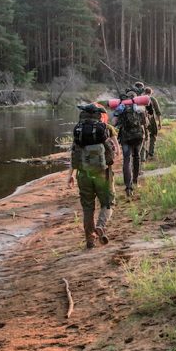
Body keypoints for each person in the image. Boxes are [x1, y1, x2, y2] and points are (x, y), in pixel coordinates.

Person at [67, 103, 116, 248]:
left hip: (83, 175)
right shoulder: (102, 130)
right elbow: (110, 157)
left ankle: (89, 240)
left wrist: (71, 175)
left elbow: (74, 156)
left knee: (88, 208)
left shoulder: (79, 132)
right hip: (102, 174)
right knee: (108, 203)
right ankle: (100, 226)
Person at [114, 90, 147, 197]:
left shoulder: (121, 108)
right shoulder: (140, 108)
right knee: (136, 157)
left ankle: (128, 187)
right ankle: (136, 181)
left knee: (127, 160)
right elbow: (144, 122)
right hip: (138, 136)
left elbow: (114, 123)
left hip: (125, 137)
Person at [143, 86, 163, 158]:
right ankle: (151, 152)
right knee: (153, 135)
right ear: (151, 93)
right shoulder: (153, 99)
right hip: (151, 120)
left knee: (144, 137)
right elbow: (158, 112)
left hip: (142, 121)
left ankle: (144, 153)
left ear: (144, 92)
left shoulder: (140, 99)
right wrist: (160, 123)